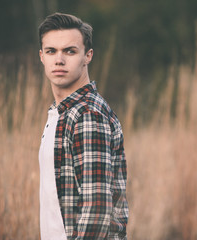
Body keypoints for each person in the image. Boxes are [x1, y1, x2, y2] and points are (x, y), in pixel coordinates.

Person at [38, 12, 128, 239]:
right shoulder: (61, 114)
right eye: (51, 51)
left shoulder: (86, 115)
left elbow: (96, 210)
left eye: (70, 51)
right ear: (41, 56)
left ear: (88, 56)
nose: (59, 60)